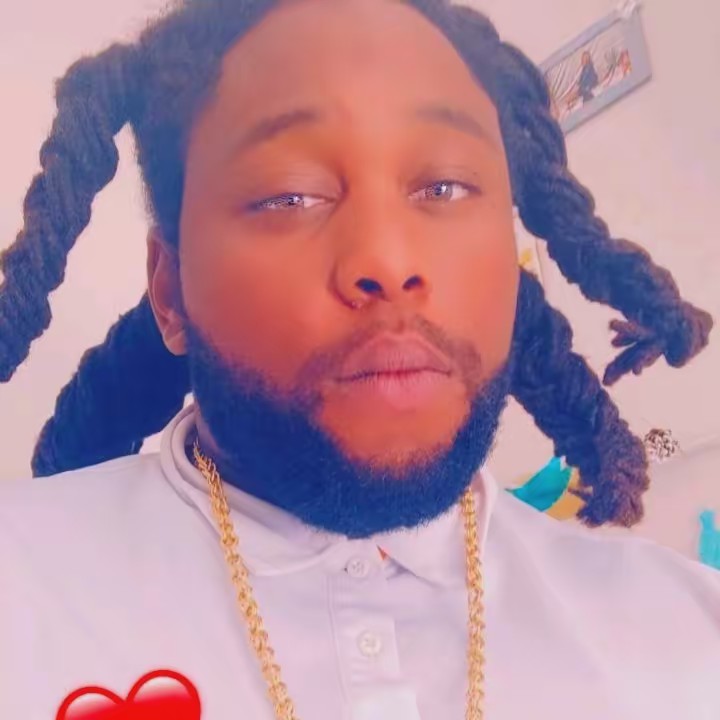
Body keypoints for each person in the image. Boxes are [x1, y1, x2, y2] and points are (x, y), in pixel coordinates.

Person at [0, 0, 717, 718]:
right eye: (290, 195)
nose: (389, 261)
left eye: (444, 187)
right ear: (170, 292)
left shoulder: (688, 632)